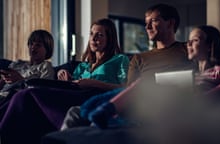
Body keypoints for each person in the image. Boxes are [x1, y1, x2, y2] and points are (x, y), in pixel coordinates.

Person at [60, 3, 194, 130]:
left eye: (153, 21)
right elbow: (127, 91)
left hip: (174, 104)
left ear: (170, 23)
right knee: (75, 112)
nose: (147, 27)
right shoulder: (139, 59)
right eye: (146, 23)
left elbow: (205, 72)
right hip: (140, 106)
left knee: (95, 124)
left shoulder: (187, 49)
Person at [0, 18, 129, 144]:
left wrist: (93, 83)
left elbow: (124, 88)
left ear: (109, 39)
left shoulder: (119, 59)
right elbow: (73, 84)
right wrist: (66, 79)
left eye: (99, 35)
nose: (93, 38)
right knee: (22, 96)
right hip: (74, 93)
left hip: (93, 96)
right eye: (91, 34)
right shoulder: (82, 66)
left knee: (27, 94)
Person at [0, 29, 55, 101]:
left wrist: (20, 80)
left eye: (38, 45)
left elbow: (43, 92)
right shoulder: (17, 63)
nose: (33, 47)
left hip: (15, 99)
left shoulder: (46, 66)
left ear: (47, 49)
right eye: (31, 44)